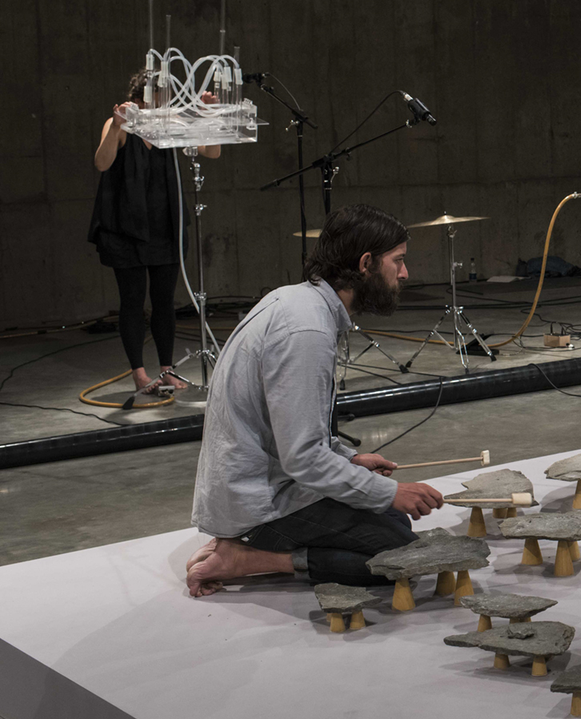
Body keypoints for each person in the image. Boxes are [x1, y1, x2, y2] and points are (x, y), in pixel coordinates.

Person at [185, 204, 446, 597]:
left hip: (265, 485)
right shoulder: (307, 330)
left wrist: (348, 458)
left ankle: (241, 543)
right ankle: (250, 556)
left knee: (395, 520)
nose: (405, 273)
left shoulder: (298, 302)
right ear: (365, 263)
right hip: (260, 502)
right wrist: (393, 492)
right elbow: (303, 458)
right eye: (398, 261)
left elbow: (288, 426)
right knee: (403, 556)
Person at [89, 69, 221, 398]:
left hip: (165, 226)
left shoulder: (169, 124)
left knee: (165, 301)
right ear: (142, 98)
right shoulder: (121, 124)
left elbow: (212, 151)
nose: (168, 104)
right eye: (162, 98)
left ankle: (167, 369)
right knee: (133, 301)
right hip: (127, 228)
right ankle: (139, 373)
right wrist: (116, 126)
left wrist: (208, 116)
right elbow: (102, 163)